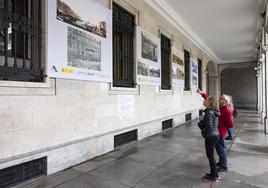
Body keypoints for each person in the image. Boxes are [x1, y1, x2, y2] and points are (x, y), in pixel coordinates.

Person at [198, 97, 220, 183]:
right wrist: (202, 124)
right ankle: (215, 174)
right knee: (211, 156)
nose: (204, 101)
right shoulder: (211, 111)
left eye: (206, 100)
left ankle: (214, 177)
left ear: (209, 102)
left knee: (210, 156)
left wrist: (203, 132)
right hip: (214, 135)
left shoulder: (209, 112)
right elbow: (209, 124)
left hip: (211, 136)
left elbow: (209, 127)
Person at [216, 95, 235, 172]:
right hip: (219, 131)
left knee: (221, 149)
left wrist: (223, 127)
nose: (219, 99)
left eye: (221, 98)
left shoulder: (226, 110)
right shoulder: (222, 107)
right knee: (220, 148)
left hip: (221, 132)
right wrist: (202, 94)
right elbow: (210, 100)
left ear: (225, 101)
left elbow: (231, 124)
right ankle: (221, 163)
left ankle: (224, 166)